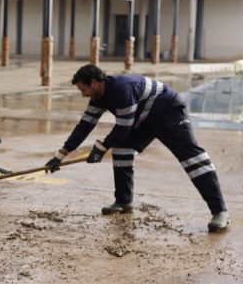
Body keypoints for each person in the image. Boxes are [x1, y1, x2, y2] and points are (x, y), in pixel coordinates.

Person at [45, 64, 229, 233]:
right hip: (144, 120)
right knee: (122, 150)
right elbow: (84, 127)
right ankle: (124, 201)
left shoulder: (122, 89)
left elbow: (124, 127)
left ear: (94, 82)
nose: (83, 94)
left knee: (194, 160)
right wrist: (60, 155)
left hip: (168, 112)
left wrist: (101, 148)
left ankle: (220, 212)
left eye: (83, 89)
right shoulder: (97, 98)